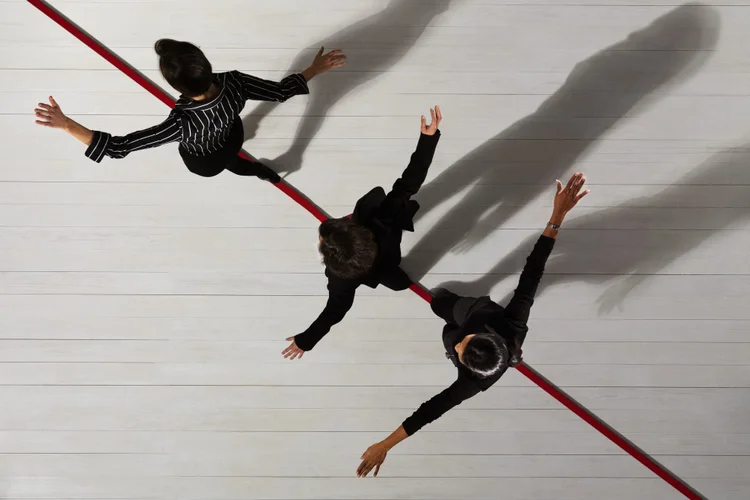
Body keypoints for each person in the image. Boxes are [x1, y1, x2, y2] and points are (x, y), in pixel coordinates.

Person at [355, 172, 590, 478]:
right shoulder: (513, 322)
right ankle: (448, 304)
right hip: (471, 312)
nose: (455, 345)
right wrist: (557, 215)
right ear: (487, 334)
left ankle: (449, 313)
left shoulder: (472, 383)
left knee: (444, 328)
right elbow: (532, 272)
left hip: (467, 322)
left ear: (470, 368)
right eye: (464, 342)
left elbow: (431, 409)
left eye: (459, 350)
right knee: (438, 301)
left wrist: (386, 444)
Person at [33, 39, 346, 182]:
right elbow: (279, 92)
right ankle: (259, 171)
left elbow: (119, 146)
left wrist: (66, 124)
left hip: (204, 160)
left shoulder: (181, 123)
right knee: (234, 157)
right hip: (233, 135)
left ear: (176, 88)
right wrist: (312, 69)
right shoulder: (235, 83)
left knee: (230, 165)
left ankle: (258, 172)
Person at [281, 106, 443, 360]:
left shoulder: (339, 279)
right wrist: (427, 140)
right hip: (388, 259)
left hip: (384, 267)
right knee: (399, 281)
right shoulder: (378, 217)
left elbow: (336, 309)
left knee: (399, 283)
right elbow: (409, 183)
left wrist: (308, 339)